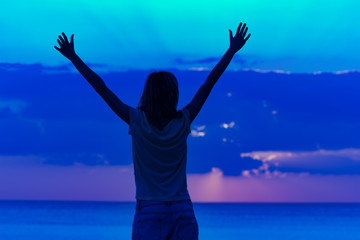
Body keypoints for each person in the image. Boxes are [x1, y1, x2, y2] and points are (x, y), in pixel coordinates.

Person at [54, 21, 250, 240]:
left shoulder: (136, 120)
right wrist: (231, 51)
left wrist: (73, 57)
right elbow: (209, 83)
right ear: (173, 94)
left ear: (147, 93)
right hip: (183, 211)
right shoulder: (184, 120)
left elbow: (102, 88)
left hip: (150, 211)